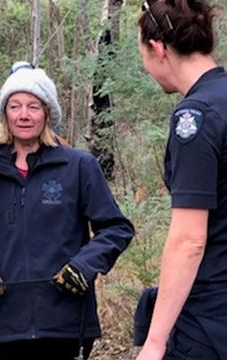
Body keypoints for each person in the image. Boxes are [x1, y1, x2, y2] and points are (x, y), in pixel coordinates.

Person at [0, 63, 134, 360]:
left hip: (67, 325)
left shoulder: (79, 166)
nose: (23, 115)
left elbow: (117, 228)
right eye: (14, 106)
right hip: (2, 326)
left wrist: (85, 266)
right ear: (4, 114)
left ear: (48, 113)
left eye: (33, 106)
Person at [136, 1, 227, 359]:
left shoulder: (197, 116)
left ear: (158, 49)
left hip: (210, 320)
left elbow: (189, 239)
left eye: (143, 53)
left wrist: (155, 341)